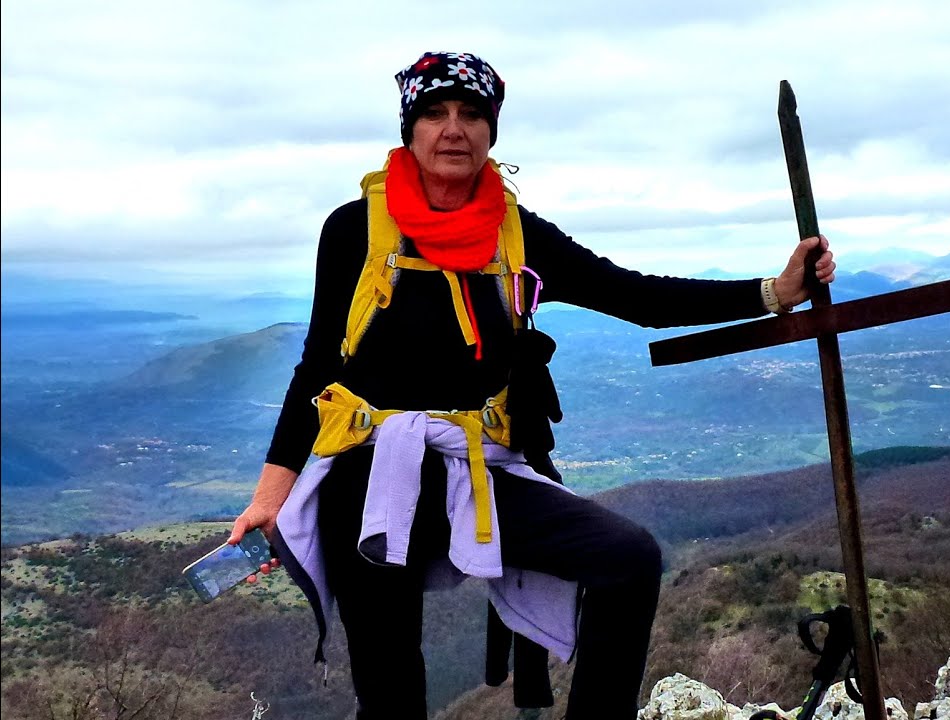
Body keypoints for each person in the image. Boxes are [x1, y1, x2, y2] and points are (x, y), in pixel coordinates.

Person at [228, 50, 835, 720]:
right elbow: (317, 366)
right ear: (410, 129)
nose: (452, 129)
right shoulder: (354, 230)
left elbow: (636, 296)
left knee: (627, 559)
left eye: (470, 114)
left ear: (491, 132)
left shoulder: (514, 234)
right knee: (391, 689)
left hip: (474, 471)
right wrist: (269, 497)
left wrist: (774, 292)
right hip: (367, 479)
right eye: (434, 113)